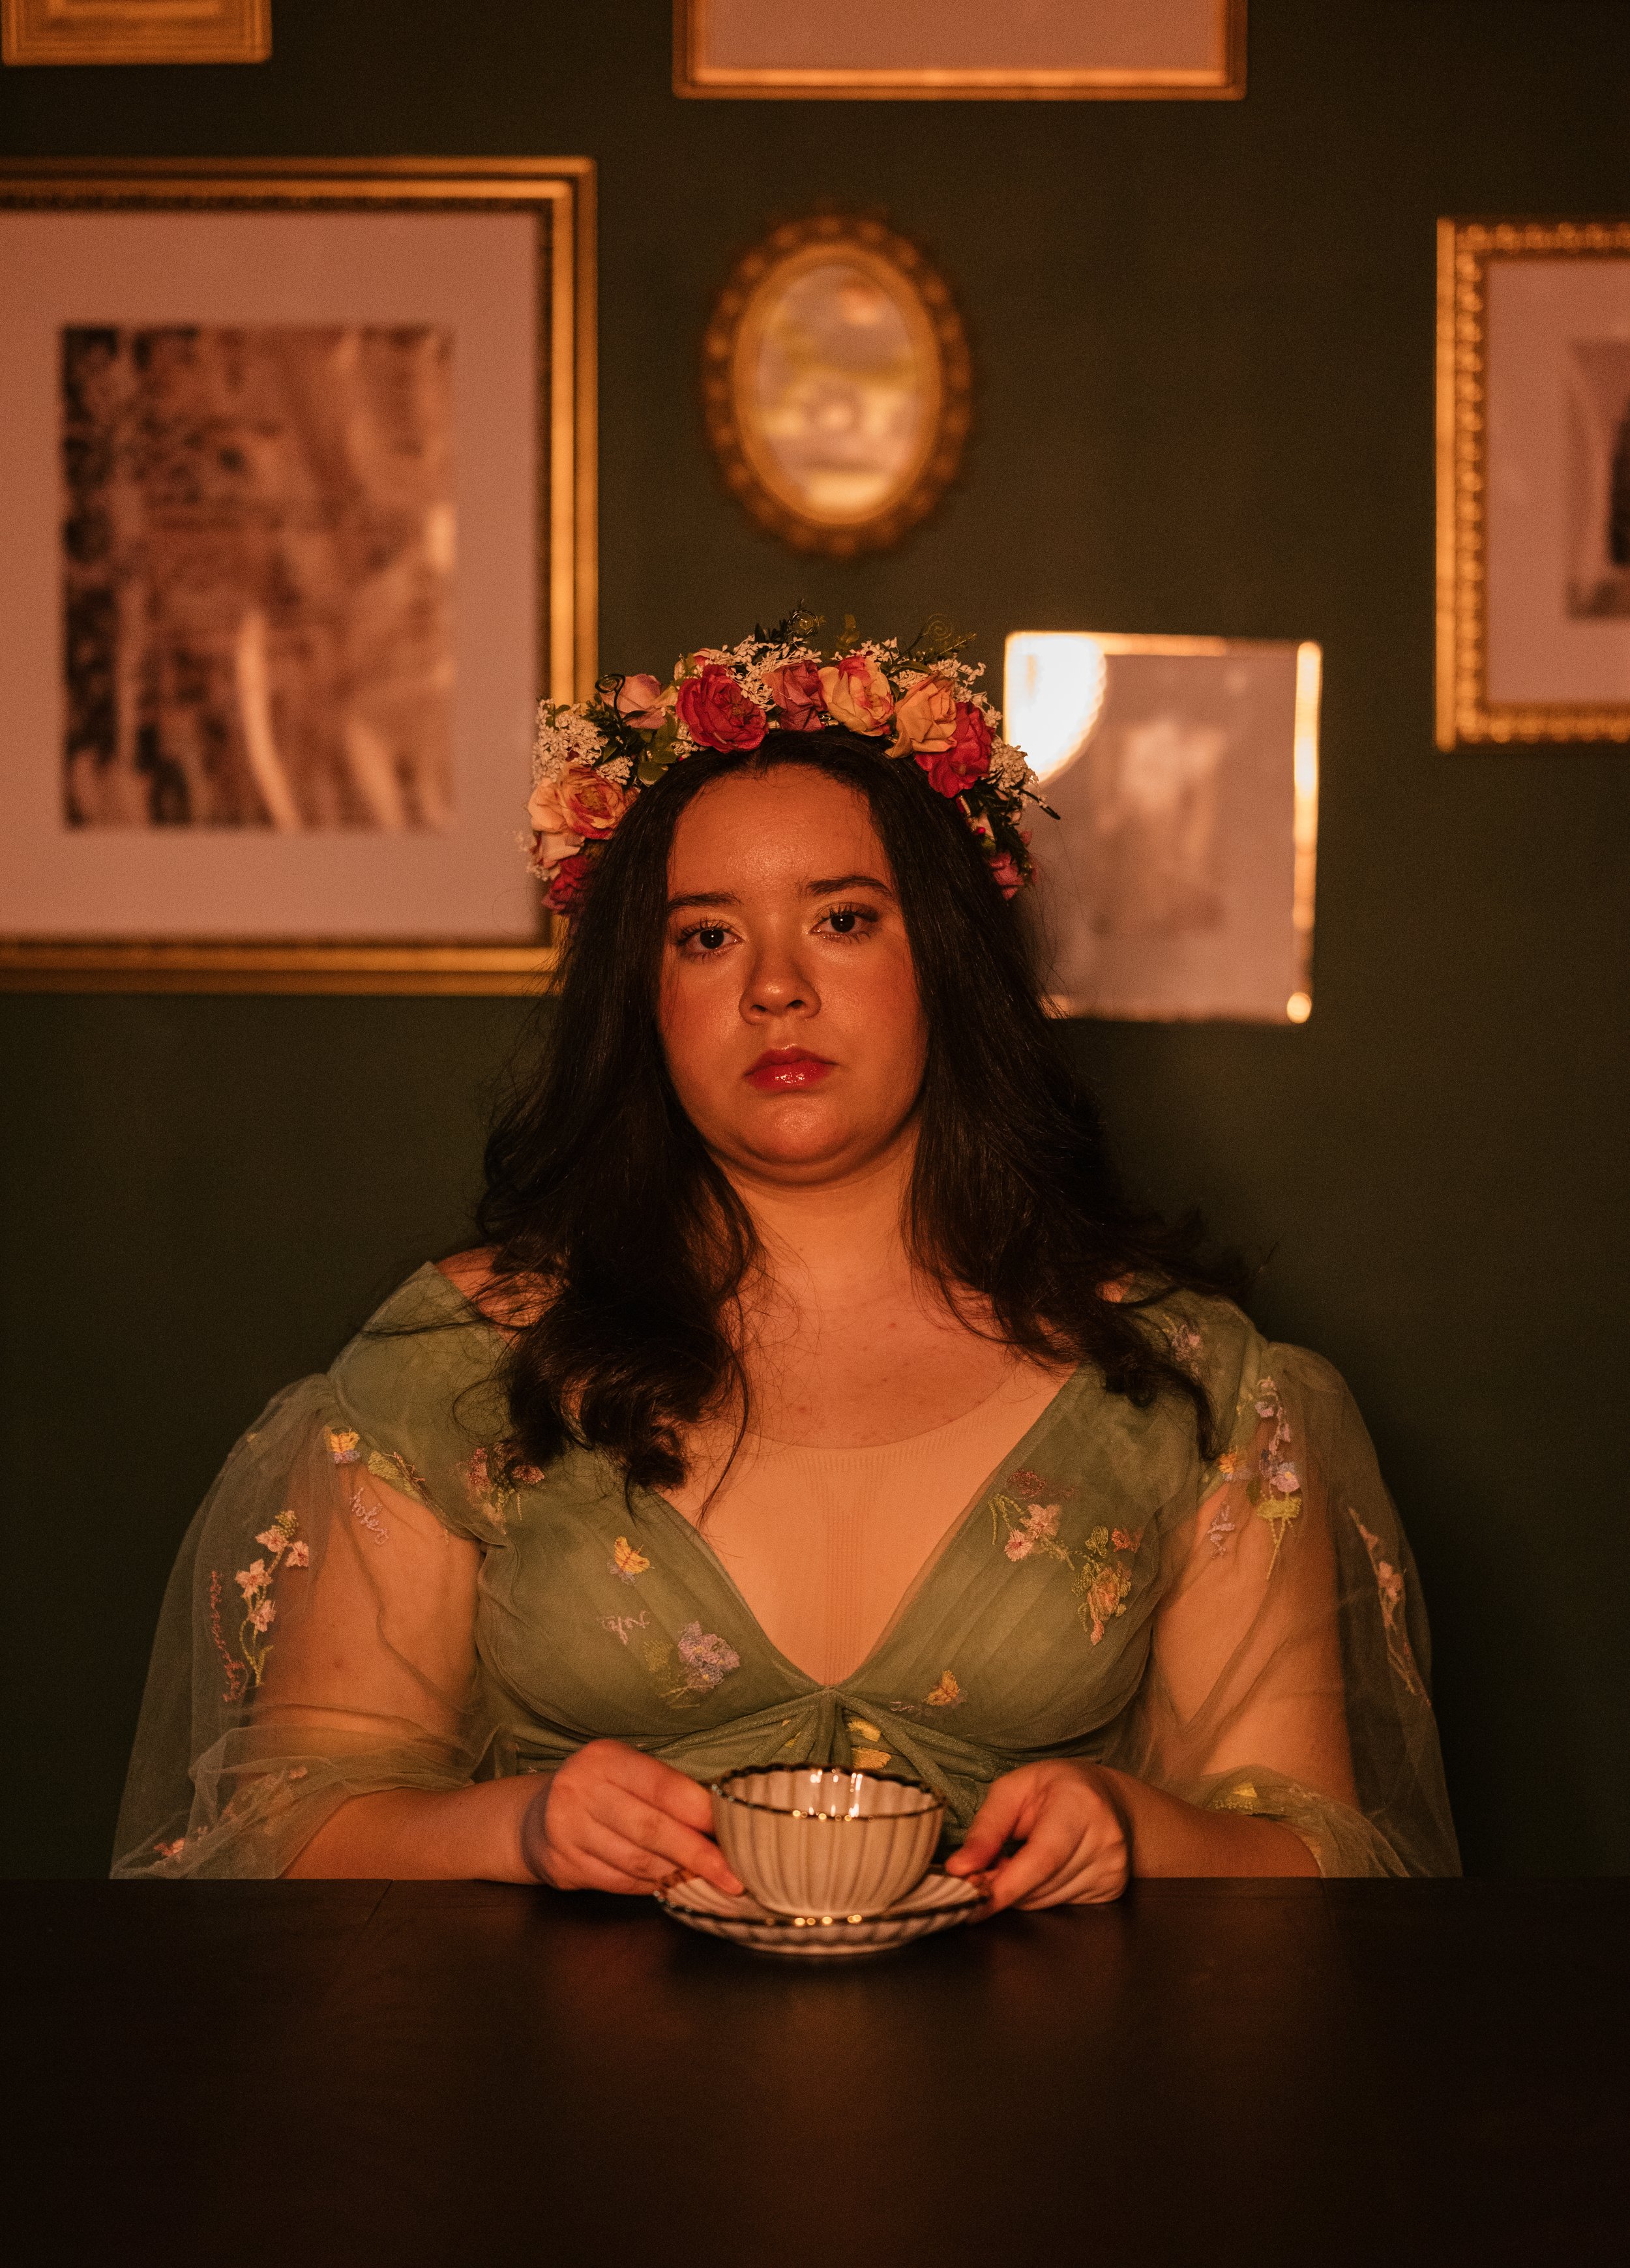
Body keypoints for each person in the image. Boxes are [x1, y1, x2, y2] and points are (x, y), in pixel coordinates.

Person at [113, 617, 1459, 1898]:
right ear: (645, 995)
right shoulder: (459, 1367)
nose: (774, 988)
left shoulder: (1183, 1388)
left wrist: (1128, 1830)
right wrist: (519, 1827)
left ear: (943, 960)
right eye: (706, 935)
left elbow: (1323, 1862)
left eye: (841, 918)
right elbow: (275, 1826)